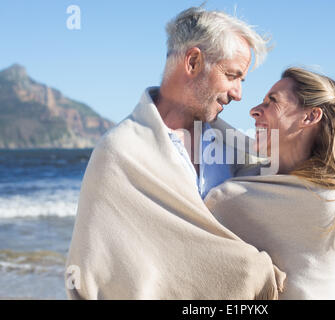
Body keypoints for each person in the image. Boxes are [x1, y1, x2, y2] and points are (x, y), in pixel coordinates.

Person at [65, 6, 285, 299]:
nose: (238, 93)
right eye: (232, 75)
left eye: (241, 80)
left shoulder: (237, 148)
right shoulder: (119, 152)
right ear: (193, 61)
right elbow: (92, 273)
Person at [204, 67, 335, 299]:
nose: (254, 111)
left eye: (272, 102)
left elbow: (220, 203)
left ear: (310, 116)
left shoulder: (323, 198)